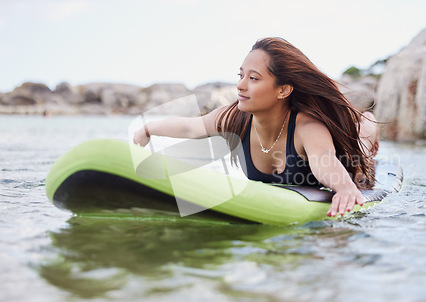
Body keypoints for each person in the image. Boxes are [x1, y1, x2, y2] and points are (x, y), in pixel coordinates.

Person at [134, 37, 378, 217]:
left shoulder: (307, 126)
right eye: (240, 75)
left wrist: (345, 187)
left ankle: (368, 123)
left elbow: (324, 159)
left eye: (253, 78)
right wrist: (149, 128)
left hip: (342, 152)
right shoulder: (235, 118)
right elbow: (190, 128)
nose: (240, 86)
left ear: (283, 90)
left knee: (362, 142)